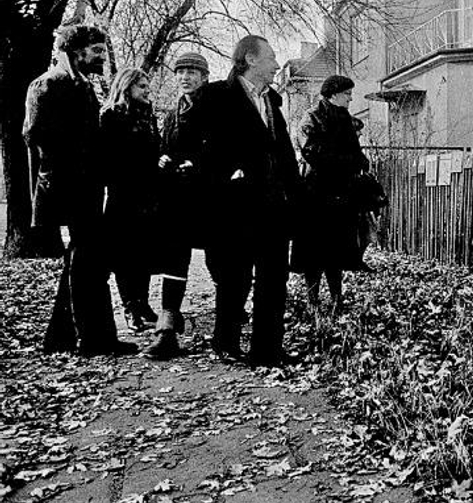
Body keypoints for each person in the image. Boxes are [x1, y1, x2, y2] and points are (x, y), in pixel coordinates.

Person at [23, 24, 138, 357]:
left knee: (85, 261)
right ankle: (95, 340)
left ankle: (61, 338)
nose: (102, 56)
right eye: (97, 50)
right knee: (89, 261)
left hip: (87, 189)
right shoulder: (46, 85)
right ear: (76, 52)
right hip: (65, 189)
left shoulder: (84, 86)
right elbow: (34, 136)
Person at [198, 35, 299, 367]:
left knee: (274, 277)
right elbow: (196, 145)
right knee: (234, 276)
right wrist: (225, 175)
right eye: (271, 58)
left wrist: (293, 195)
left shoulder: (271, 100)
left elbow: (283, 153)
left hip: (273, 205)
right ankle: (225, 342)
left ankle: (267, 349)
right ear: (251, 59)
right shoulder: (215, 96)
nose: (275, 64)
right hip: (235, 206)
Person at [143, 52, 210, 360]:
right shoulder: (172, 112)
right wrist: (164, 158)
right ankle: (166, 328)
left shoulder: (216, 108)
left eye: (192, 72)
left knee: (222, 262)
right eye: (181, 72)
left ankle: (230, 324)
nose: (185, 77)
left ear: (204, 76)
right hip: (179, 199)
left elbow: (226, 148)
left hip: (213, 197)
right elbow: (165, 146)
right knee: (174, 259)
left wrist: (199, 164)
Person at [291, 75, 370, 313]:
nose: (350, 98)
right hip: (315, 195)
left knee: (337, 250)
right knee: (313, 252)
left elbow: (355, 152)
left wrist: (361, 161)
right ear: (333, 94)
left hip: (341, 195)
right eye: (347, 94)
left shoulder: (346, 119)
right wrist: (346, 162)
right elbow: (312, 151)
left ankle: (337, 299)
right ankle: (312, 299)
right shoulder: (312, 117)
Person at [99, 68, 161, 332]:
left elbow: (155, 150)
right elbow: (107, 158)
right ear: (127, 88)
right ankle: (130, 307)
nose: (147, 91)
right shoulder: (110, 117)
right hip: (123, 195)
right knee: (125, 256)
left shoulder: (149, 116)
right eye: (142, 87)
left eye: (147, 86)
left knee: (144, 253)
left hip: (148, 194)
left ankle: (143, 302)